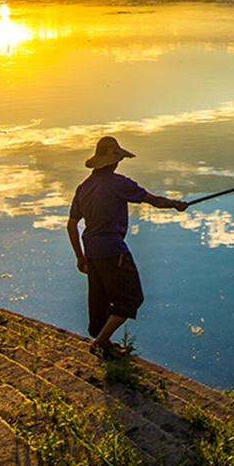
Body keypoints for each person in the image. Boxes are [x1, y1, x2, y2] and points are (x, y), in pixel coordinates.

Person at [67, 135, 187, 354]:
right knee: (131, 298)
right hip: (113, 251)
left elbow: (71, 224)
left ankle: (100, 337)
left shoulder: (84, 187)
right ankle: (101, 341)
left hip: (92, 252)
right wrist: (176, 205)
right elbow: (154, 201)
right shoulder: (119, 183)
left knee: (100, 300)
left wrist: (80, 256)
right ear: (114, 161)